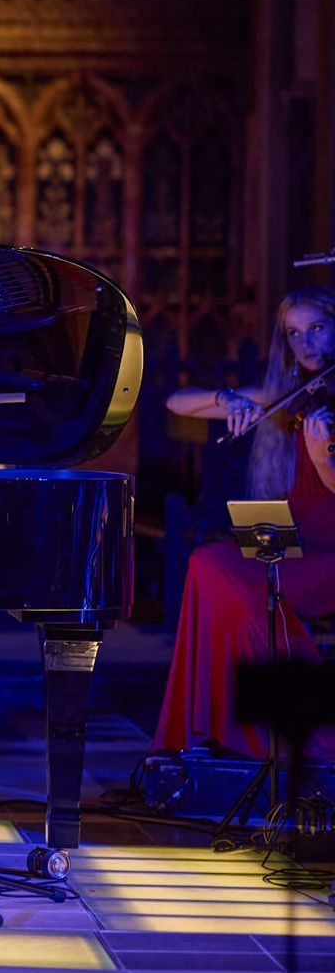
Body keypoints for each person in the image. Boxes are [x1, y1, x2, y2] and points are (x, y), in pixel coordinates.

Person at [157, 285, 335, 759]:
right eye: (293, 333)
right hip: (291, 537)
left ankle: (304, 727)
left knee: (231, 575)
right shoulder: (290, 396)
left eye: (317, 328)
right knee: (206, 562)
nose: (305, 343)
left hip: (329, 553)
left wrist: (323, 459)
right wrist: (229, 399)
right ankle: (220, 728)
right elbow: (176, 402)